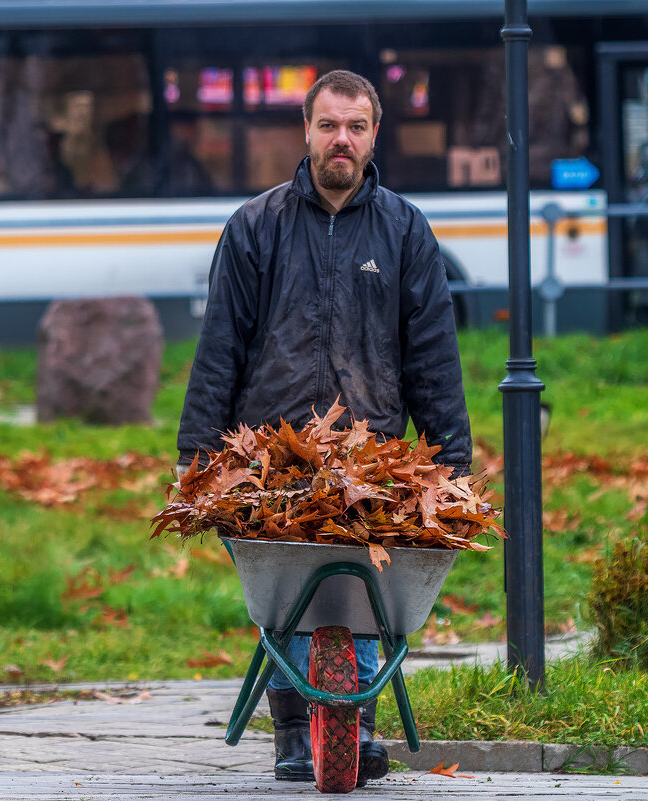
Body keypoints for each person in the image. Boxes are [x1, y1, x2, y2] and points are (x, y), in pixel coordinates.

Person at [175, 70, 472, 786]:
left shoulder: (403, 229)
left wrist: (453, 463)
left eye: (357, 126)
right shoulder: (256, 226)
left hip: (371, 455)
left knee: (366, 588)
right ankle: (288, 728)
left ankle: (358, 722)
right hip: (270, 454)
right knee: (282, 596)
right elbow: (220, 345)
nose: (342, 139)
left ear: (375, 134)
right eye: (329, 124)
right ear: (305, 130)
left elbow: (432, 354)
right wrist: (196, 453)